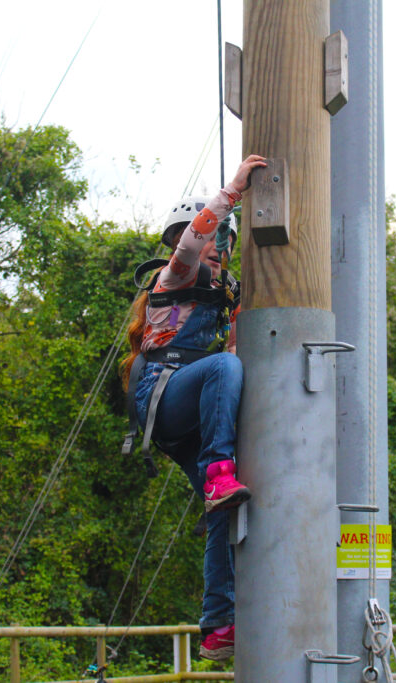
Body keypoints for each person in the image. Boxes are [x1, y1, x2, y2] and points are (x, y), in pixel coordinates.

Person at [120, 154, 267, 661]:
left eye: (220, 243)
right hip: (164, 391)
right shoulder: (175, 275)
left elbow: (233, 346)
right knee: (224, 372)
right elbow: (188, 244)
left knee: (222, 514)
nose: (214, 248)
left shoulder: (222, 290)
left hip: (188, 406)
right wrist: (233, 193)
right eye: (211, 239)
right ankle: (220, 470)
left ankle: (217, 625)